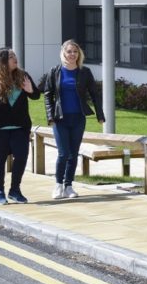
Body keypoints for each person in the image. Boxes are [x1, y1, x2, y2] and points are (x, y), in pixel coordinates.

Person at [38, 39, 105, 200]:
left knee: (73, 154)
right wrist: (50, 117)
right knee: (63, 153)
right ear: (63, 53)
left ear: (79, 54)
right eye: (69, 51)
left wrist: (99, 115)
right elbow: (48, 95)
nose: (72, 54)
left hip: (78, 118)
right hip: (60, 118)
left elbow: (95, 95)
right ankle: (58, 185)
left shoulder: (85, 72)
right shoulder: (55, 71)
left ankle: (69, 186)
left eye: (75, 51)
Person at [0, 48, 41, 205]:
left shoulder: (22, 75)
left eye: (15, 56)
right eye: (11, 57)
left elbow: (36, 95)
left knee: (22, 156)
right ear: (2, 60)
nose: (15, 58)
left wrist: (30, 90)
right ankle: (0, 191)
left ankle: (15, 190)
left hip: (20, 127)